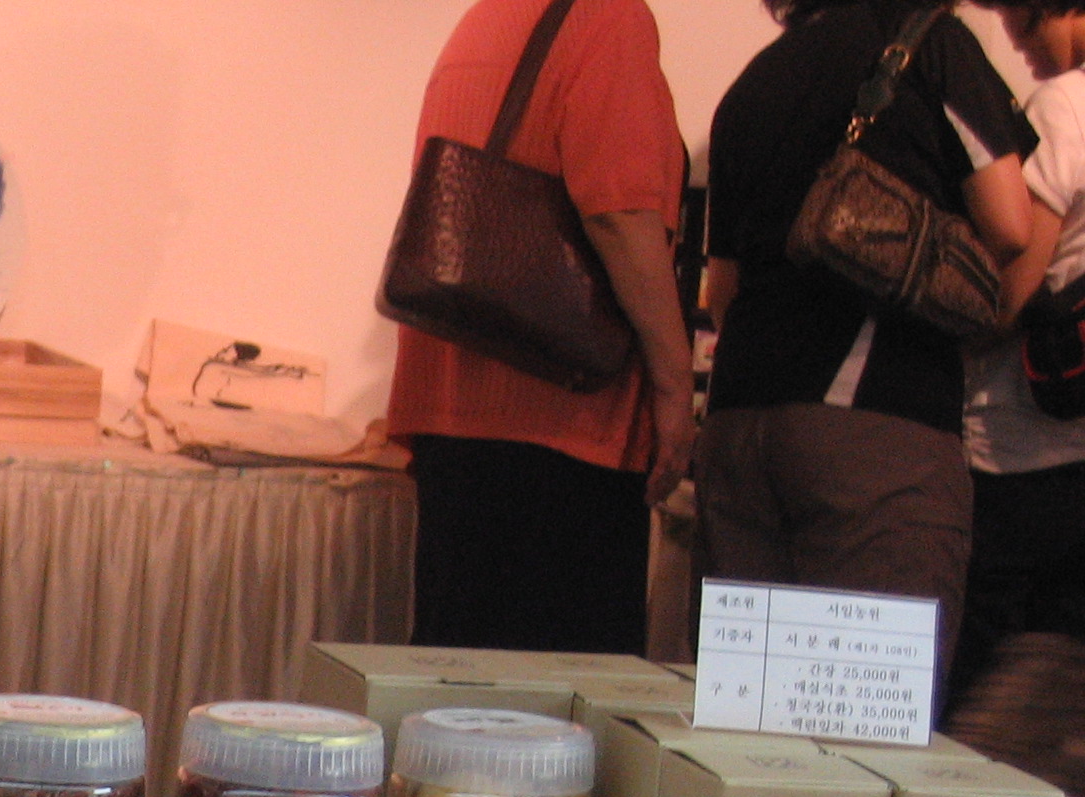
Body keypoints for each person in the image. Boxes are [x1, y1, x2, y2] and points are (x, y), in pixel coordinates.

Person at [700, 0, 1035, 688]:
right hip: (871, 423)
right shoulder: (928, 41)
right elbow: (1010, 223)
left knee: (752, 714)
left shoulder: (753, 82)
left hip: (738, 426)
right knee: (865, 717)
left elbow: (720, 292)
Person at [388, 0, 694, 656]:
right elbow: (619, 214)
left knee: (457, 680)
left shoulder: (487, 18)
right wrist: (674, 386)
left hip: (457, 409)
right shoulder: (609, 19)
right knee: (557, 694)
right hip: (559, 417)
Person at [960, 0, 1085, 707]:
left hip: (1019, 449)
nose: (1018, 45)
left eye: (1026, 24)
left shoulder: (1065, 106)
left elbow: (1010, 291)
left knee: (976, 679)